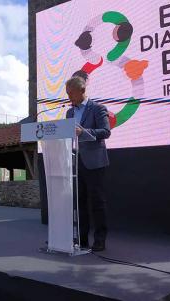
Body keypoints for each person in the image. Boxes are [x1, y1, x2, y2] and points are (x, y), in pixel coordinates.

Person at [65, 76, 111, 252]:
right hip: (76, 162)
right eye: (67, 93)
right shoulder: (69, 112)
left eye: (71, 93)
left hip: (94, 162)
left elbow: (105, 132)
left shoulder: (98, 108)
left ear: (82, 91)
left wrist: (83, 132)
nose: (69, 97)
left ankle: (100, 239)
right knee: (80, 202)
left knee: (97, 201)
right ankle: (81, 239)